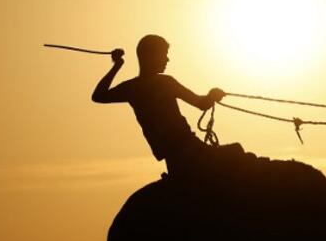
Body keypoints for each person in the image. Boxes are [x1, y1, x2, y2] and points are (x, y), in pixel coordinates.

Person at [91, 34, 225, 179]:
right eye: (164, 54)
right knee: (239, 154)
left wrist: (117, 65)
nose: (167, 59)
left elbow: (99, 96)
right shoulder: (165, 83)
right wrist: (212, 95)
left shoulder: (132, 88)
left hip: (173, 158)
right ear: (151, 56)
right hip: (191, 150)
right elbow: (201, 103)